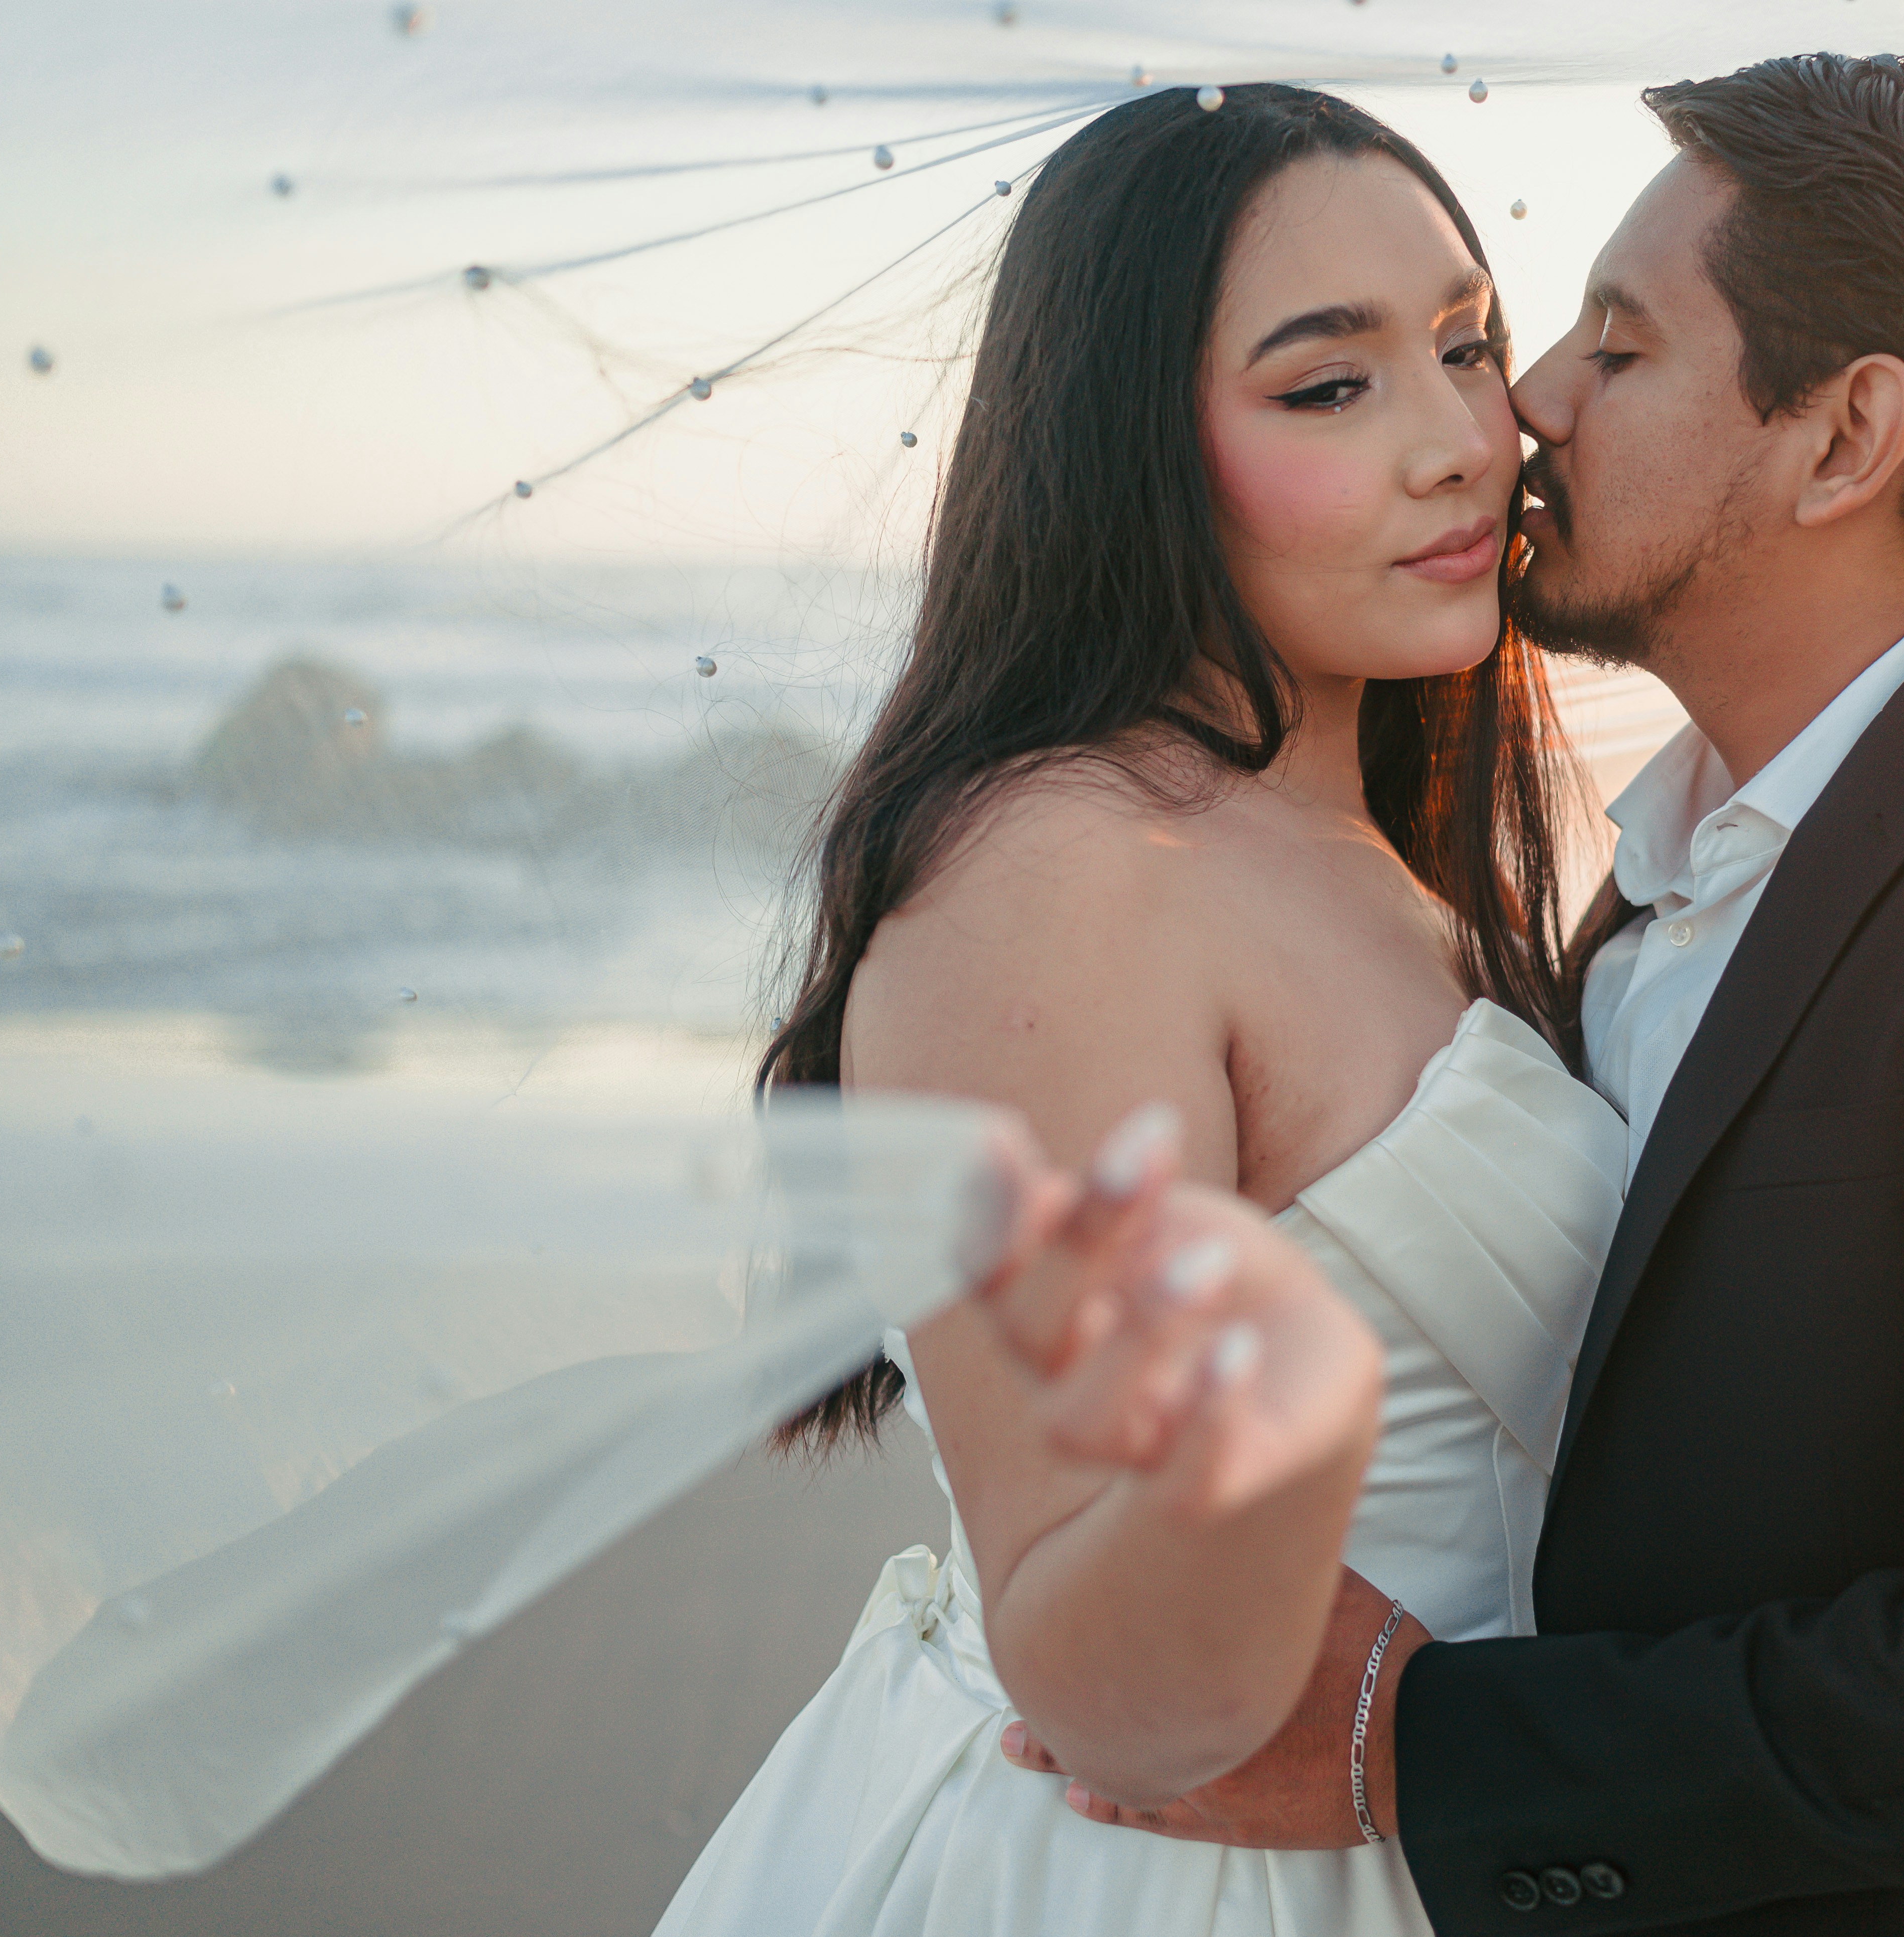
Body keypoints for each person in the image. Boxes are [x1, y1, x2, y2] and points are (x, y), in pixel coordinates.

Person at [994, 54, 1904, 1937]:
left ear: (1844, 439)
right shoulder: (1659, 870)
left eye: (1614, 345)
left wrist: (1405, 1750)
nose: (1522, 409)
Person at [653, 82, 1631, 1937]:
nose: (1460, 443)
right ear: (1135, 453)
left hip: (1449, 1837)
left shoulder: (1363, 838)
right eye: (1326, 387)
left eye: (1463, 345)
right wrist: (1266, 1428)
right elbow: (1096, 1692)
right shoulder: (1064, 877)